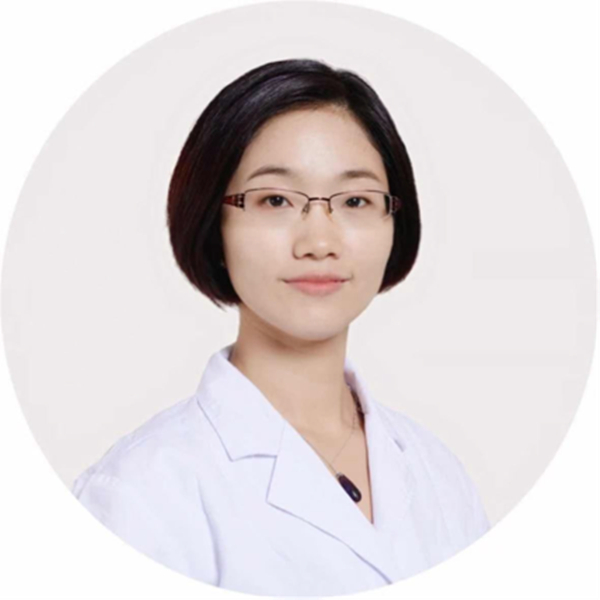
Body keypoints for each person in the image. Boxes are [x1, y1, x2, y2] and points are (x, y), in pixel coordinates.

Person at [71, 58, 490, 596]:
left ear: (394, 222)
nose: (319, 242)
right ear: (213, 223)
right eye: (275, 200)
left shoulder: (438, 473)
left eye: (355, 200)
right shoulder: (142, 492)